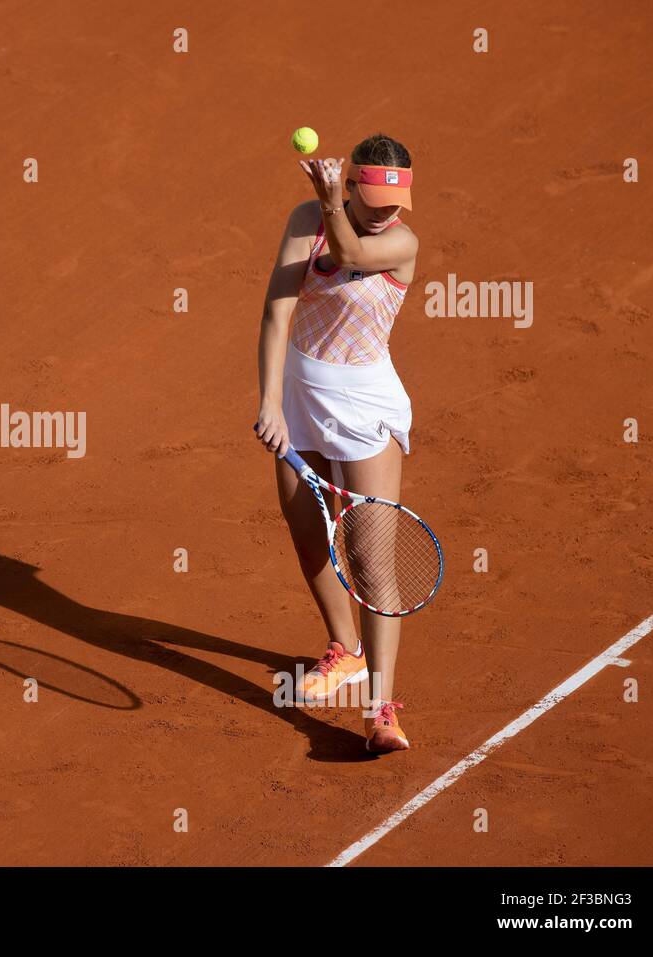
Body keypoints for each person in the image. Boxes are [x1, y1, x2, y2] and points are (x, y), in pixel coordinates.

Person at [253, 133, 419, 753]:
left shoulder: (401, 242)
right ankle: (343, 649)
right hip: (300, 393)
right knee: (307, 531)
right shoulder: (307, 218)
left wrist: (330, 207)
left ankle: (381, 710)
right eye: (372, 198)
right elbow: (277, 311)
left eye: (394, 200)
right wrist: (270, 401)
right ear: (350, 185)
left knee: (372, 562)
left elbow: (347, 250)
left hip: (365, 409)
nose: (385, 212)